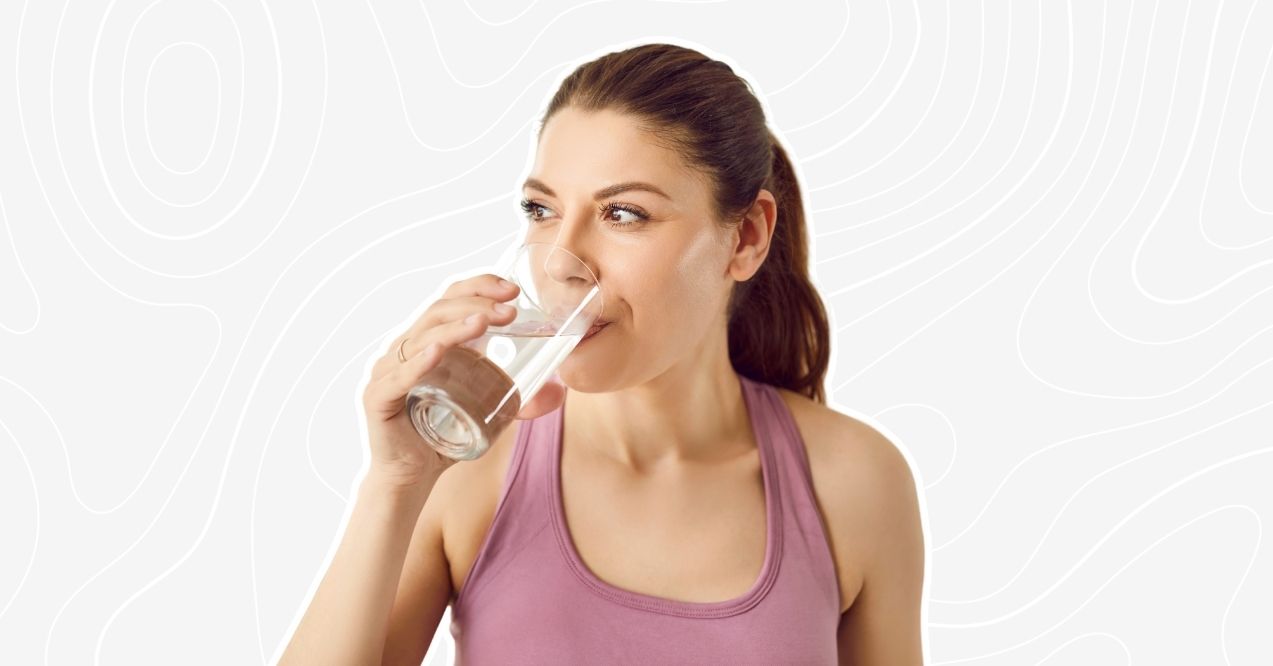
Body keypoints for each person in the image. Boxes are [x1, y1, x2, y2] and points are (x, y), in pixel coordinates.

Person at [279, 43, 925, 665]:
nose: (564, 263)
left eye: (622, 214)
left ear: (745, 238)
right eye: (541, 209)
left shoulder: (853, 482)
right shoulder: (467, 471)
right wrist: (395, 484)